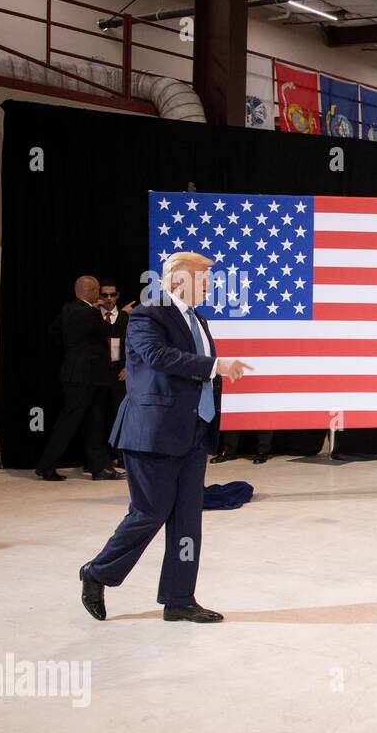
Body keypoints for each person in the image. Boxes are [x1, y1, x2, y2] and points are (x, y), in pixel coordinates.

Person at [79, 252, 253, 624]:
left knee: (188, 520)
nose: (209, 285)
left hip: (194, 433)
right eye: (203, 279)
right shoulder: (147, 314)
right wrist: (215, 366)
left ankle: (179, 598)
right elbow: (158, 357)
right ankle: (97, 573)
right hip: (153, 433)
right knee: (149, 514)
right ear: (177, 281)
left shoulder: (199, 320)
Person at [35, 275, 128, 481]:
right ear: (93, 292)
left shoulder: (68, 309)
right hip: (86, 376)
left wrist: (74, 349)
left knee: (93, 422)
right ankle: (46, 465)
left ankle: (100, 468)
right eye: (98, 291)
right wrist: (124, 314)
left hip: (79, 374)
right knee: (69, 422)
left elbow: (53, 331)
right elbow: (114, 330)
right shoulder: (90, 313)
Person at [97, 280, 136, 467]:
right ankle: (99, 460)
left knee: (120, 415)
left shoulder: (127, 317)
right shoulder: (92, 315)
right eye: (105, 295)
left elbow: (136, 344)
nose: (109, 299)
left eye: (113, 295)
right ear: (99, 296)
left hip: (119, 372)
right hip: (97, 373)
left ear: (118, 295)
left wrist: (128, 366)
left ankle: (122, 457)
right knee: (96, 416)